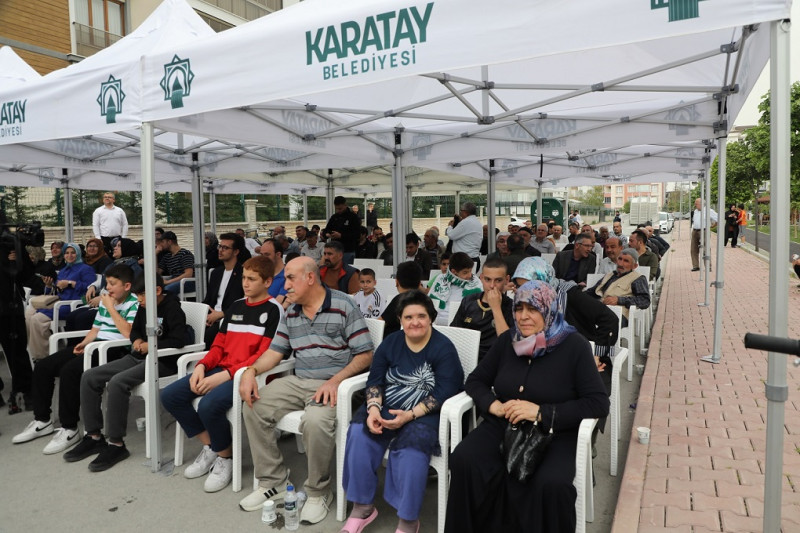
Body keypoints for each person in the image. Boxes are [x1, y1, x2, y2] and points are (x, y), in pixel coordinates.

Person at [445, 280, 609, 533]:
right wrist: (493, 405)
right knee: (465, 460)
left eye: (532, 309)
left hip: (553, 433)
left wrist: (542, 413)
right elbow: (476, 381)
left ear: (548, 310)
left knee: (551, 485)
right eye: (519, 309)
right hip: (504, 425)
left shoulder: (574, 346)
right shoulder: (508, 341)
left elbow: (598, 403)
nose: (523, 316)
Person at [237, 257, 374, 523]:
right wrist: (251, 371)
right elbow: (276, 351)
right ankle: (273, 481)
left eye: (290, 278)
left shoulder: (343, 305)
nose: (285, 285)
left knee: (315, 421)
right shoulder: (291, 311)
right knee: (255, 404)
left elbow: (366, 354)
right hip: (300, 380)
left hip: (336, 384)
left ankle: (318, 491)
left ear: (310, 278)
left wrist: (336, 381)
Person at [341, 290, 463, 533]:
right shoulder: (391, 342)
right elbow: (375, 379)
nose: (415, 322)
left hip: (424, 414)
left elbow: (446, 390)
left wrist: (410, 415)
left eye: (421, 316)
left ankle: (408, 521)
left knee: (411, 452)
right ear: (400, 319)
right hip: (386, 406)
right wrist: (373, 409)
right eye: (409, 317)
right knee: (358, 434)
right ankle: (362, 508)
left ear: (430, 318)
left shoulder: (443, 348)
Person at [162, 256, 282, 492]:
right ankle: (211, 447)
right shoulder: (236, 306)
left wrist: (225, 375)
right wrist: (201, 366)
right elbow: (218, 345)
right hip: (222, 369)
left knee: (209, 405)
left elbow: (263, 355)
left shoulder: (274, 310)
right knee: (170, 395)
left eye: (252, 279)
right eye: (244, 278)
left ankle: (225, 458)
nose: (245, 283)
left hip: (249, 376)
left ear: (268, 282)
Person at [13, 264, 138, 453]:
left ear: (127, 286)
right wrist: (84, 343)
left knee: (70, 371)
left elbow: (129, 334)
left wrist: (111, 308)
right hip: (95, 344)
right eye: (107, 283)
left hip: (114, 349)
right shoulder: (107, 301)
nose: (108, 288)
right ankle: (42, 420)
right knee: (43, 366)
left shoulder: (134, 303)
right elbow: (95, 330)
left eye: (113, 284)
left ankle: (70, 428)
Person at [72, 273, 188, 471]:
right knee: (90, 376)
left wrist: (152, 346)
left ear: (157, 291)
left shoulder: (173, 309)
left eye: (142, 295)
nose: (139, 299)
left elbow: (179, 340)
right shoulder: (144, 307)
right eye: (137, 295)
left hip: (163, 361)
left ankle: (116, 444)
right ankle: (94, 436)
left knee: (118, 382)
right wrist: (137, 340)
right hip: (139, 356)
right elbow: (134, 331)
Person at [24, 243, 97, 361]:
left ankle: (44, 356)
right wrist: (49, 285)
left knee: (37, 319)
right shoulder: (63, 270)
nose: (70, 255)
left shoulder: (86, 269)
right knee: (28, 314)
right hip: (59, 301)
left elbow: (90, 288)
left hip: (73, 304)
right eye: (67, 253)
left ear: (78, 254)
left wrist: (70, 283)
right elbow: (56, 290)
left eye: (73, 253)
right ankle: (33, 352)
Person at [1, 233, 37, 413]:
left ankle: (27, 391)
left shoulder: (10, 241)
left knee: (17, 352)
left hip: (9, 307)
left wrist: (18, 261)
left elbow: (27, 275)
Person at [451, 257, 513, 361]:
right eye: (488, 279)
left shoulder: (511, 306)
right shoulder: (468, 301)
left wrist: (496, 308)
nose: (492, 286)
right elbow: (454, 334)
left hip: (495, 360)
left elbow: (507, 343)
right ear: (481, 278)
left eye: (498, 280)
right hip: (466, 357)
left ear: (506, 280)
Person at [203, 232, 245, 347]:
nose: (220, 250)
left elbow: (244, 302)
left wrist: (222, 314)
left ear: (236, 252)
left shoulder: (243, 274)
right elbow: (208, 299)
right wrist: (204, 313)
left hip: (230, 319)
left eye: (225, 248)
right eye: (220, 246)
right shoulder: (216, 273)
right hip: (211, 317)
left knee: (206, 336)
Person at [588, 248, 650, 326]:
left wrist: (619, 300)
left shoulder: (638, 278)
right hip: (600, 309)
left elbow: (644, 300)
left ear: (634, 266)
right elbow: (592, 291)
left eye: (626, 261)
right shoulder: (610, 275)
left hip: (618, 315)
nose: (620, 264)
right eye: (620, 259)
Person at [427, 252, 482, 326]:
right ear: (454, 271)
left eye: (470, 271)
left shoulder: (476, 282)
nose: (469, 275)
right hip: (436, 321)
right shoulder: (440, 279)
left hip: (462, 323)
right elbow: (429, 303)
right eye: (465, 272)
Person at [382, 262, 423, 339]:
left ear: (397, 282)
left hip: (394, 341)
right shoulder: (424, 300)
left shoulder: (399, 300)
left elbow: (380, 323)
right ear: (419, 284)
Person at [323, 196, 362, 264]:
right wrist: (327, 234)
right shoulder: (334, 217)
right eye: (336, 209)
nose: (338, 211)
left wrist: (341, 236)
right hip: (334, 251)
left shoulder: (353, 217)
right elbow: (326, 230)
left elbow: (357, 235)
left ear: (345, 205)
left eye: (340, 208)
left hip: (348, 251)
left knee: (346, 269)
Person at [445, 203, 483, 269]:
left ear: (465, 212)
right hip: (473, 257)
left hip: (464, 260)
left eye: (461, 211)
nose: (460, 213)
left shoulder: (466, 222)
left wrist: (450, 226)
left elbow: (451, 235)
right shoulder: (476, 222)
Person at [157, 231, 195, 296]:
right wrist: (155, 254)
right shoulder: (167, 256)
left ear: (169, 242)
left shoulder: (185, 254)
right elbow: (157, 272)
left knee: (166, 290)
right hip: (175, 281)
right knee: (155, 289)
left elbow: (188, 274)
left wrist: (168, 282)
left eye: (163, 242)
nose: (161, 244)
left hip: (187, 282)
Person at [690, 198, 718, 272]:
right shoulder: (695, 211)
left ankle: (708, 266)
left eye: (696, 203)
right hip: (695, 231)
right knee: (693, 249)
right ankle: (695, 266)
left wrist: (713, 225)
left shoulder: (709, 211)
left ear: (702, 204)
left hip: (704, 231)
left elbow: (718, 218)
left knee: (706, 249)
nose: (695, 205)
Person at [259, 238, 289, 304]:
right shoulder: (259, 274)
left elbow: (277, 304)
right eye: (261, 255)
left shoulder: (287, 277)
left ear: (278, 254)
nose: (262, 259)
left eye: (267, 255)